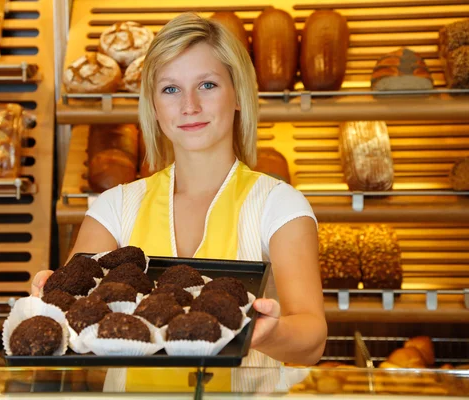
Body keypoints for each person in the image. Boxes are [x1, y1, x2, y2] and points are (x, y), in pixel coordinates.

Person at [32, 12, 326, 392]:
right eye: (170, 89)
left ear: (238, 95)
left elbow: (313, 339)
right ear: (153, 105)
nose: (189, 105)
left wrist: (265, 333)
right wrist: (49, 300)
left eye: (206, 85)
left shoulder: (279, 205)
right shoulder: (115, 208)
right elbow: (74, 316)